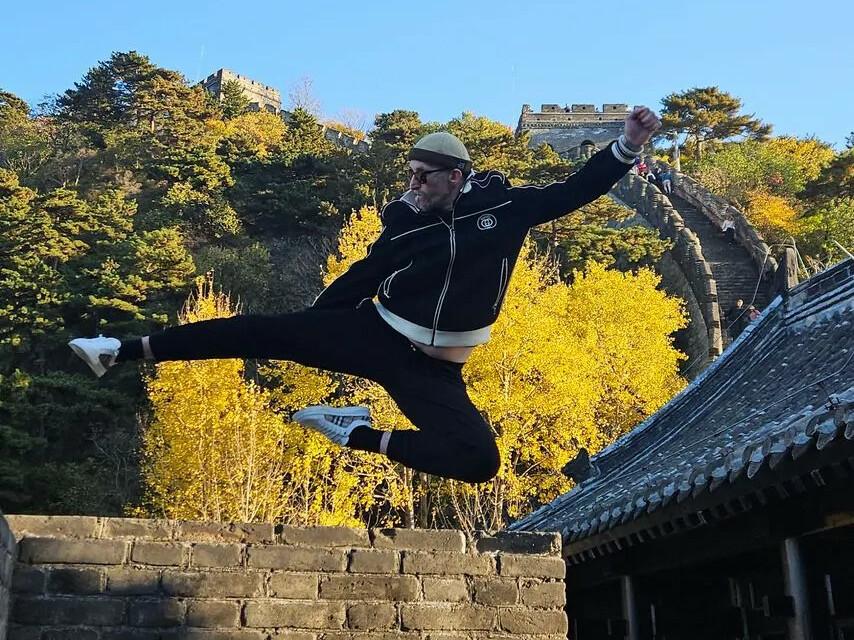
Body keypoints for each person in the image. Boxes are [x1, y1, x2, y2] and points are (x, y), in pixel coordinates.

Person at [69, 107, 662, 484]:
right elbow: (365, 273)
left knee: (479, 461)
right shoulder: (405, 221)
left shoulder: (506, 209)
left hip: (432, 371)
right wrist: (317, 324)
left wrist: (628, 145)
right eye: (409, 175)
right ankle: (121, 349)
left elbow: (574, 190)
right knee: (260, 330)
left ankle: (354, 432)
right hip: (378, 333)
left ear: (455, 176)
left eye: (423, 176)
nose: (413, 185)